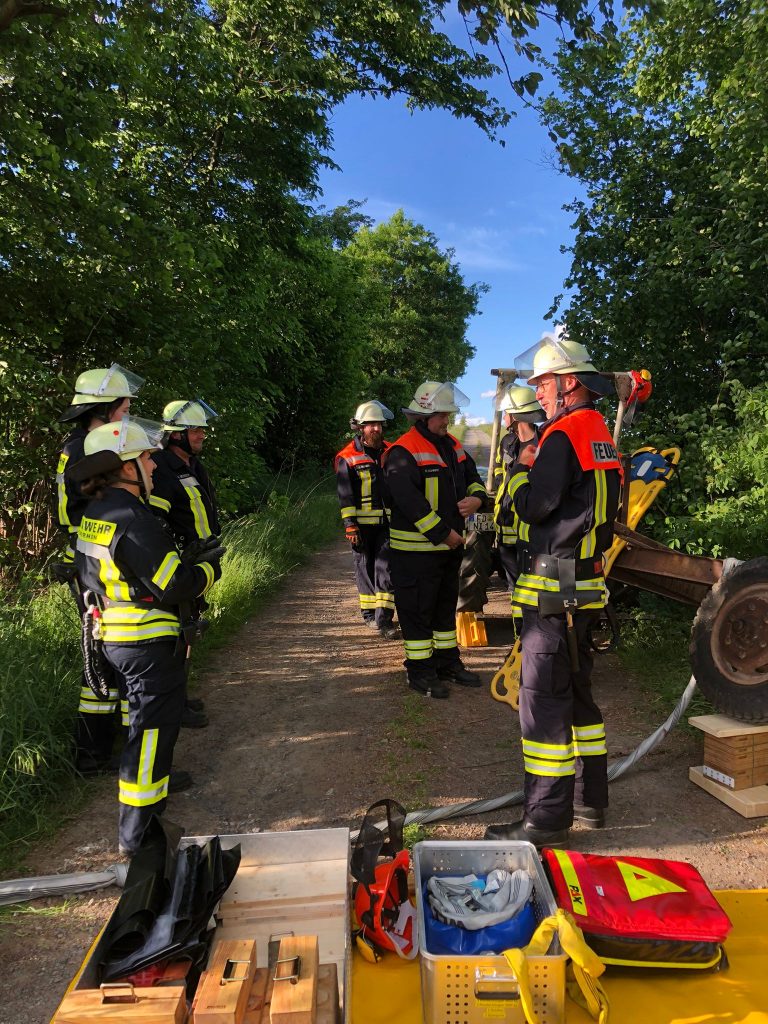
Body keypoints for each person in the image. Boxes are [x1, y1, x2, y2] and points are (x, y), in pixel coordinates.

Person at [484, 333, 620, 846]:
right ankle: (590, 803)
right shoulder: (599, 431)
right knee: (580, 697)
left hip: (553, 584)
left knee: (542, 702)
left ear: (568, 384)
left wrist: (519, 472)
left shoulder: (562, 437)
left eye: (543, 383)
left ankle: (544, 819)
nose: (538, 393)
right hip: (584, 582)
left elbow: (537, 506)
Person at [69, 416, 224, 856]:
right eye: (146, 458)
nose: (154, 466)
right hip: (147, 643)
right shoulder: (133, 517)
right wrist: (209, 569)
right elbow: (174, 585)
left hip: (117, 636)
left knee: (139, 724)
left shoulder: (96, 513)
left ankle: (144, 818)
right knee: (152, 733)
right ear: (123, 467)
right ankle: (140, 837)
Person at [55, 365, 144, 774]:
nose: (127, 413)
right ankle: (123, 756)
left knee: (103, 655)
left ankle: (96, 753)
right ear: (105, 408)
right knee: (119, 654)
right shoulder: (89, 451)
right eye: (124, 406)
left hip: (89, 561)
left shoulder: (75, 446)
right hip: (99, 564)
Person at [383, 381, 488, 698]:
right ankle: (420, 673)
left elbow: (473, 479)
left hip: (448, 550)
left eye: (448, 414)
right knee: (417, 614)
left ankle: (447, 663)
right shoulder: (402, 452)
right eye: (442, 415)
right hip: (415, 554)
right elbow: (410, 503)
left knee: (444, 611)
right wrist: (445, 534)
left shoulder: (453, 446)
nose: (447, 420)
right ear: (423, 416)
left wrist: (478, 501)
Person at [149, 399, 221, 728]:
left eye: (202, 428)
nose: (202, 434)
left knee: (189, 632)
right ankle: (173, 707)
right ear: (175, 435)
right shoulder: (162, 468)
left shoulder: (192, 465)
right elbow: (156, 523)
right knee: (179, 637)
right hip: (181, 568)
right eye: (195, 429)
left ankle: (180, 699)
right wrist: (181, 557)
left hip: (200, 562)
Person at [334, 401, 399, 640]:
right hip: (361, 527)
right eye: (370, 424)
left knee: (386, 569)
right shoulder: (347, 457)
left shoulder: (392, 451)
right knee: (365, 569)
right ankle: (369, 614)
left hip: (387, 524)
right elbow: (345, 495)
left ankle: (384, 619)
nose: (376, 429)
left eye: (379, 424)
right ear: (360, 428)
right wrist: (350, 525)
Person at [493, 386, 543, 604]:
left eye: (505, 412)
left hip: (528, 531)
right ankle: (521, 633)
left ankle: (527, 633)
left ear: (514, 415)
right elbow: (498, 474)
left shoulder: (543, 444)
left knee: (529, 589)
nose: (504, 417)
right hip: (504, 528)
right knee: (515, 590)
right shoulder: (507, 443)